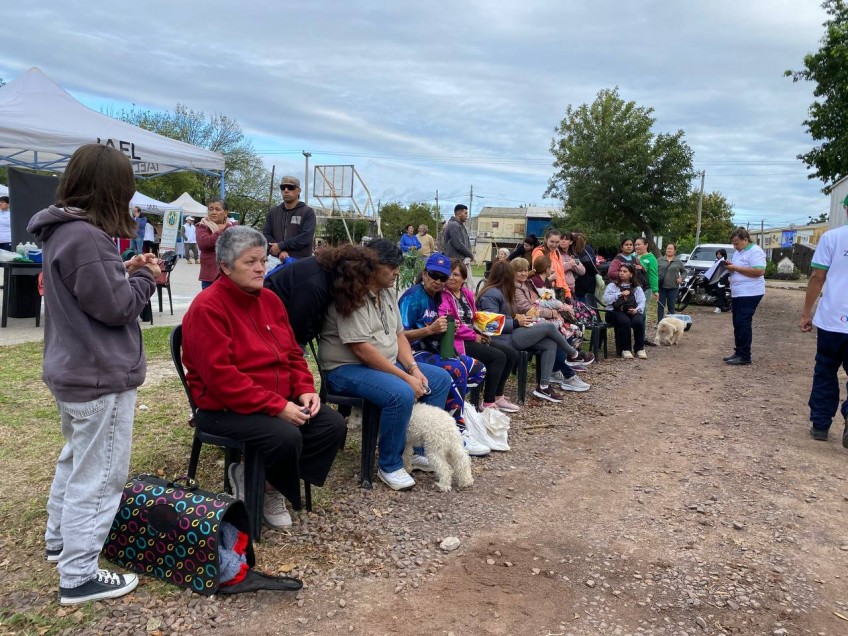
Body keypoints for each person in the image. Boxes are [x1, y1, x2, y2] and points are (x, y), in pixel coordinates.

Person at [27, 144, 160, 605]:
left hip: (73, 370)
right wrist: (145, 279)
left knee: (76, 460)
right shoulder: (87, 237)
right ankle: (79, 574)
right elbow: (117, 307)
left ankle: (59, 540)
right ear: (112, 189)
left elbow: (86, 286)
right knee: (100, 475)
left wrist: (122, 268)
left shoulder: (62, 232)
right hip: (99, 375)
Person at [181, 226, 346, 528]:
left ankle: (264, 483)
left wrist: (305, 388)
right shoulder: (207, 307)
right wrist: (278, 407)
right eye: (250, 262)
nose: (261, 268)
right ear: (226, 267)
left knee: (331, 426)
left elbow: (292, 353)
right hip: (223, 408)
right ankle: (264, 484)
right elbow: (222, 379)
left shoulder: (269, 300)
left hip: (274, 397)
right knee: (286, 436)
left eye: (261, 260)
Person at [319, 238, 452, 491]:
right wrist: (405, 378)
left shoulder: (387, 292)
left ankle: (419, 452)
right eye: (391, 267)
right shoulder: (350, 294)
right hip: (345, 369)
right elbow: (361, 350)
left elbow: (399, 335)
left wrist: (413, 369)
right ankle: (390, 464)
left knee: (439, 379)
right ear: (371, 266)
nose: (397, 272)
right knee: (400, 392)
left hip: (381, 365)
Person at [398, 253, 489, 456]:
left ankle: (448, 416)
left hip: (434, 350)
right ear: (424, 274)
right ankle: (458, 428)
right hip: (411, 353)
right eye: (434, 275)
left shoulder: (438, 297)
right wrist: (429, 330)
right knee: (456, 370)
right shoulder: (412, 297)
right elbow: (399, 336)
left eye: (443, 277)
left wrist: (448, 327)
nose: (438, 281)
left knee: (477, 369)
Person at [477, 262, 590, 402]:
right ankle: (573, 354)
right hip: (501, 339)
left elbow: (507, 315)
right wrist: (516, 322)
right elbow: (490, 324)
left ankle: (543, 386)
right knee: (549, 327)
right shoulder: (492, 294)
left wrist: (518, 318)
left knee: (549, 343)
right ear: (505, 277)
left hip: (510, 333)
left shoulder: (504, 291)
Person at [439, 259, 520, 413]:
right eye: (449, 274)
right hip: (458, 341)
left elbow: (475, 318)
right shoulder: (443, 296)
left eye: (456, 274)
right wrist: (474, 335)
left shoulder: (466, 294)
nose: (451, 278)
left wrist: (482, 331)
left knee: (510, 354)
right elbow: (452, 323)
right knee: (498, 357)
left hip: (473, 335)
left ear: (464, 278)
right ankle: (488, 402)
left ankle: (498, 396)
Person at [264, 243, 377, 345]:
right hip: (270, 317)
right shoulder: (315, 284)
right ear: (351, 276)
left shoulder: (326, 268)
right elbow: (299, 328)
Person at [800, 218, 848, 444]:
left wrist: (806, 313)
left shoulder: (831, 238)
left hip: (832, 320)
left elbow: (817, 277)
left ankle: (820, 425)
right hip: (833, 321)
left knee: (826, 370)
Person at [513, 257, 595, 367]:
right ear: (546, 269)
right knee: (559, 328)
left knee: (568, 327)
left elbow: (542, 302)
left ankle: (568, 363)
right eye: (520, 271)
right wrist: (557, 310)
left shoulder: (539, 281)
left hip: (536, 315)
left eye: (525, 270)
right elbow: (538, 304)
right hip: (527, 321)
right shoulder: (535, 282)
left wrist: (557, 309)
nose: (523, 273)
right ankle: (568, 362)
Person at [723, 227, 766, 365]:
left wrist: (735, 268)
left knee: (743, 323)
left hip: (750, 292)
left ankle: (745, 356)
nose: (735, 246)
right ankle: (739, 352)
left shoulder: (755, 251)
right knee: (737, 323)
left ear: (745, 239)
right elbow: (739, 268)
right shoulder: (738, 252)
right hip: (738, 293)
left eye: (737, 243)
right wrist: (731, 266)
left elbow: (759, 271)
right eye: (733, 244)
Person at [263, 176, 316, 260]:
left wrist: (281, 246)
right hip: (275, 260)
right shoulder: (273, 212)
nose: (286, 190)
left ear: (298, 191)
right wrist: (280, 251)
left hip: (299, 261)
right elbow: (266, 234)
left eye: (290, 187)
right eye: (283, 187)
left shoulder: (307, 212)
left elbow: (305, 238)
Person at [603, 263, 647, 359]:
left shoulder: (637, 287)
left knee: (638, 321)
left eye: (625, 271)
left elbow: (642, 301)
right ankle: (625, 349)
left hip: (632, 311)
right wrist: (620, 294)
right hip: (615, 311)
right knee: (624, 321)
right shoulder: (612, 285)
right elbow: (606, 300)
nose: (621, 273)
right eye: (620, 271)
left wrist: (636, 310)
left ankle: (639, 348)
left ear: (631, 274)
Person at [196, 198, 236, 289]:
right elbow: (204, 243)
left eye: (218, 209)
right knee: (210, 298)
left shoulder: (234, 226)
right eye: (211, 209)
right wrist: (223, 230)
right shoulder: (202, 226)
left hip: (231, 274)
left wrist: (226, 227)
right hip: (210, 276)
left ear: (225, 212)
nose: (214, 212)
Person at [531, 229, 571, 300]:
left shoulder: (556, 252)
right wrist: (550, 278)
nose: (554, 245)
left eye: (557, 242)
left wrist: (567, 293)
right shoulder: (540, 253)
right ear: (546, 240)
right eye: (552, 242)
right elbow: (536, 278)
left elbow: (561, 275)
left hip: (558, 291)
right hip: (545, 293)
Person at [657, 243, 687, 321]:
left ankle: (671, 322)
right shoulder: (659, 260)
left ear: (674, 251)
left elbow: (684, 271)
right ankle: (659, 323)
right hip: (661, 287)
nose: (669, 250)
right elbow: (654, 271)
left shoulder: (678, 261)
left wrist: (681, 278)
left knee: (671, 306)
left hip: (673, 287)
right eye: (668, 248)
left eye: (671, 249)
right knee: (660, 306)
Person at [572, 233, 601, 304]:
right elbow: (591, 264)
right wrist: (596, 273)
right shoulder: (586, 249)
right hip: (588, 281)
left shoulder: (571, 251)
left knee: (578, 303)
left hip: (576, 282)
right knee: (589, 303)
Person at [560, 232, 587, 296]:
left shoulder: (572, 255)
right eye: (561, 239)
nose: (563, 241)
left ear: (571, 242)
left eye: (566, 239)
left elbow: (582, 270)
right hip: (560, 288)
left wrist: (573, 266)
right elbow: (556, 269)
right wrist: (569, 264)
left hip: (571, 287)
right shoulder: (556, 254)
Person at [707, 249, 731, 313]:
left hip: (723, 279)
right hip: (716, 279)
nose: (718, 255)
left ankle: (719, 307)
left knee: (720, 292)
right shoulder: (716, 261)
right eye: (717, 254)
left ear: (723, 255)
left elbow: (726, 272)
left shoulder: (726, 262)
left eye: (720, 254)